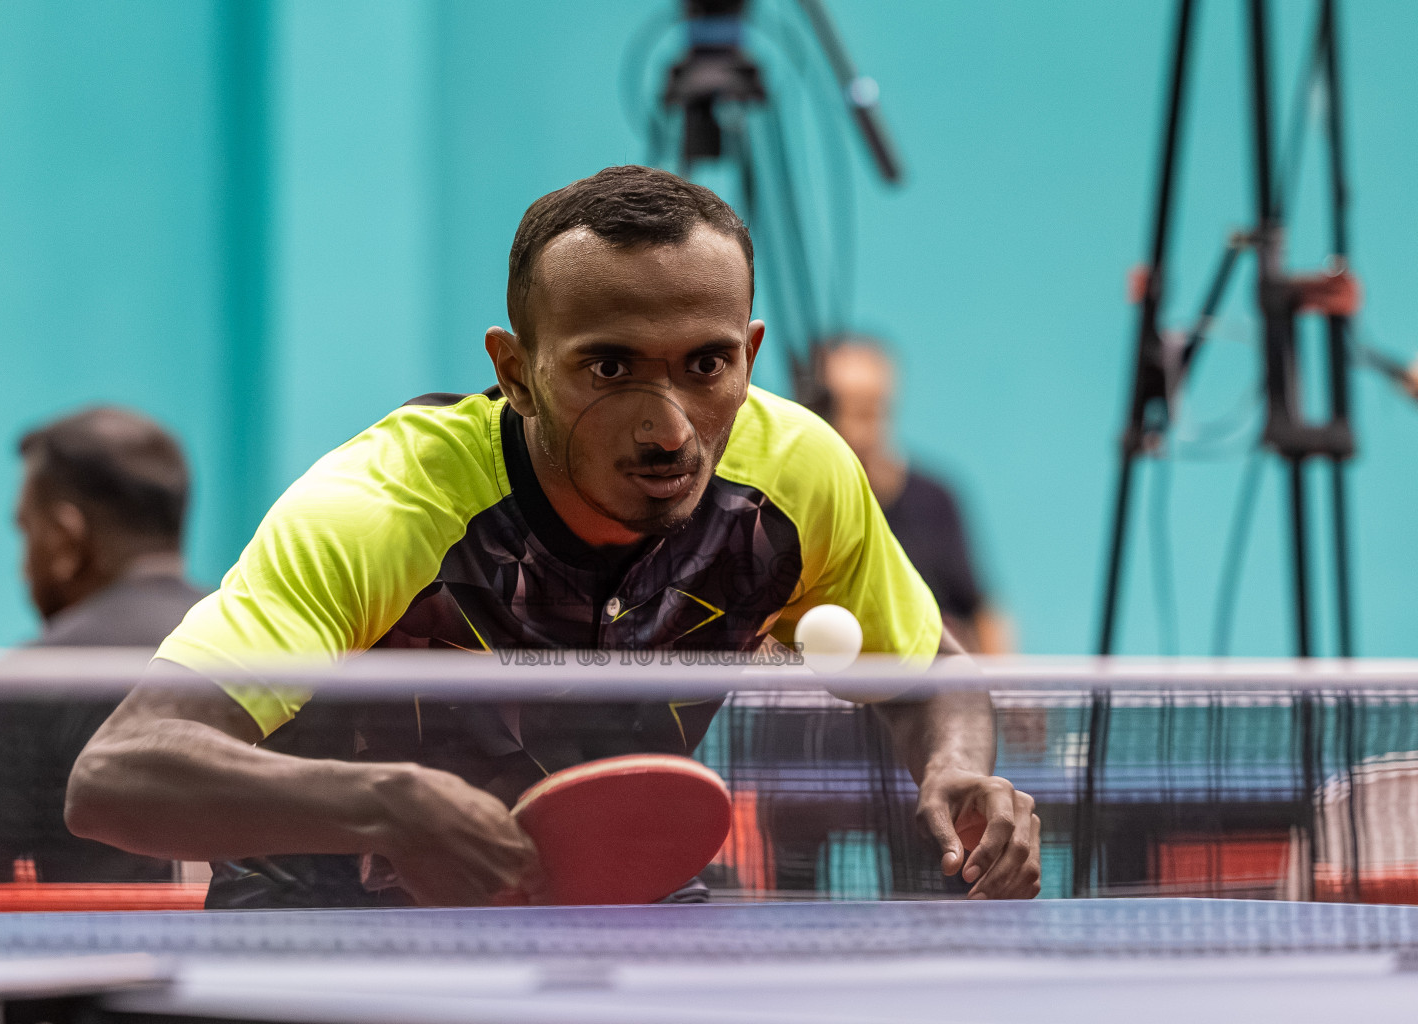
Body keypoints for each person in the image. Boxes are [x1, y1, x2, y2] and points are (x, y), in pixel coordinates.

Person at [65, 166, 1040, 907]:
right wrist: (377, 800)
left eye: (706, 363)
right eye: (609, 368)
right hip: (328, 926)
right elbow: (119, 774)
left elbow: (926, 670)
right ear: (518, 368)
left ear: (749, 353)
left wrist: (956, 768)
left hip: (614, 912)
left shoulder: (795, 475)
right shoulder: (384, 512)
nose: (668, 429)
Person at [0, 407, 207, 883]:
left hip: (99, 959)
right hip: (283, 957)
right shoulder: (276, 654)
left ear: (67, 538)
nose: (23, 566)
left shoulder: (36, 678)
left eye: (26, 531)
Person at [820, 339, 1013, 655]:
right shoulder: (799, 504)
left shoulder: (937, 501)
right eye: (849, 410)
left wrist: (1003, 691)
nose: (861, 430)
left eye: (873, 409)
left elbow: (983, 611)